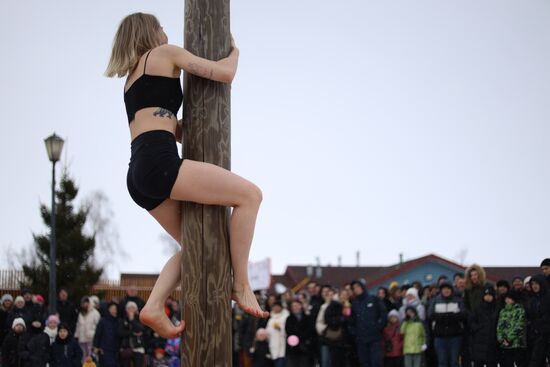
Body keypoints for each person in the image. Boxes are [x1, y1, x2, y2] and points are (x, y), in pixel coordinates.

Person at [105, 12, 268, 339]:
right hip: (159, 163)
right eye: (160, 26)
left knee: (196, 245)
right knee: (250, 195)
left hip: (138, 172)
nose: (165, 31)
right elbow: (224, 74)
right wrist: (234, 51)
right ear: (149, 32)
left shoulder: (131, 80)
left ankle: (153, 304)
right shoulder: (165, 54)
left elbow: (165, 125)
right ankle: (242, 284)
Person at [349, 279, 388, 367]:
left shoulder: (373, 299)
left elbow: (383, 314)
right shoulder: (355, 304)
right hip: (361, 339)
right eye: (354, 288)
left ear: (362, 287)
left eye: (358, 286)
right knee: (364, 362)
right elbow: (351, 321)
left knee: (376, 362)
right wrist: (355, 333)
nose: (356, 289)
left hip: (375, 338)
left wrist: (379, 327)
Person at [428, 282, 465, 367]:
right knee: (442, 362)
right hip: (439, 336)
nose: (446, 290)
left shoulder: (458, 300)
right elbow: (430, 315)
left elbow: (463, 315)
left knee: (454, 361)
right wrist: (448, 315)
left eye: (448, 289)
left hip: (455, 336)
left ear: (451, 290)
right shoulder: (435, 300)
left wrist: (446, 316)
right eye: (444, 289)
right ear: (441, 291)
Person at [469, 285, 499, 367]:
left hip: (492, 345)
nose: (488, 297)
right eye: (486, 295)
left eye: (490, 295)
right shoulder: (478, 308)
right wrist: (478, 329)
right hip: (479, 344)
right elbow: (471, 322)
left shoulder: (497, 308)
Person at [525, 275, 550, 367]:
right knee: (536, 360)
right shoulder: (532, 299)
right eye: (532, 284)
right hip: (536, 335)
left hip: (547, 334)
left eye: (536, 284)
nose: (534, 286)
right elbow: (529, 316)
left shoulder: (548, 297)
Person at [497, 292, 527, 367]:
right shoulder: (502, 311)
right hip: (505, 344)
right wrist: (501, 339)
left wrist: (509, 339)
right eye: (506, 298)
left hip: (517, 344)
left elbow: (519, 325)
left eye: (509, 298)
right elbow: (499, 327)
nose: (507, 300)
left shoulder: (520, 310)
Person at [285, 299, 314, 367]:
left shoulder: (307, 318)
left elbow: (310, 331)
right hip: (293, 348)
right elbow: (288, 331)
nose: (295, 307)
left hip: (305, 348)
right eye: (294, 306)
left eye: (297, 305)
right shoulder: (289, 319)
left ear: (301, 306)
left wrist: (306, 341)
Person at [118, 301, 146, 367]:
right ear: (126, 310)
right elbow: (120, 332)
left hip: (138, 347)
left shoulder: (140, 319)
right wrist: (132, 333)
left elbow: (141, 330)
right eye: (129, 308)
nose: (131, 310)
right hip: (126, 347)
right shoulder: (123, 320)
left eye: (133, 308)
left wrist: (132, 320)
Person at [93, 302, 120, 367]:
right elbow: (98, 334)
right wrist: (96, 346)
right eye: (112, 309)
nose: (114, 311)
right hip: (105, 349)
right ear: (108, 309)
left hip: (116, 349)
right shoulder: (103, 321)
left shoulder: (118, 321)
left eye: (115, 309)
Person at [74, 296, 101, 361]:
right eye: (83, 303)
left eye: (86, 303)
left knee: (91, 356)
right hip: (82, 338)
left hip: (91, 338)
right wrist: (76, 335)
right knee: (82, 356)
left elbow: (99, 327)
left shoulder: (95, 313)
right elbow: (78, 325)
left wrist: (97, 337)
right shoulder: (80, 313)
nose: (85, 304)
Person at [266, 301, 289, 367]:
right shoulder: (271, 319)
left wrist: (280, 329)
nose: (275, 308)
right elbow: (268, 330)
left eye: (277, 306)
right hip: (272, 345)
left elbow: (288, 330)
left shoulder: (286, 316)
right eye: (274, 307)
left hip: (282, 345)